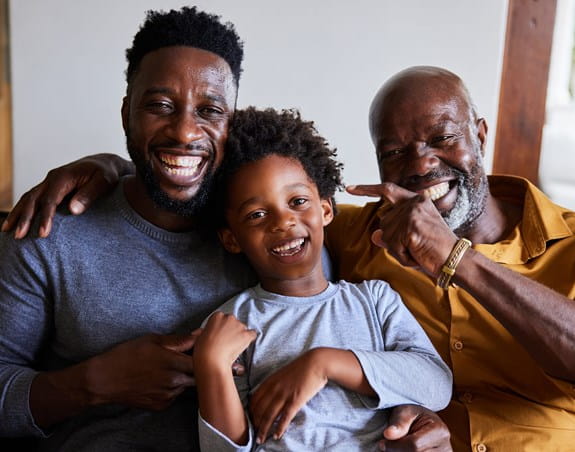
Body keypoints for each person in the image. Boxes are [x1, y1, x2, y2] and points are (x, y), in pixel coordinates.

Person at [7, 65, 575, 451]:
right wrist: (117, 167)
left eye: (442, 138)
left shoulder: (563, 243)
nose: (420, 165)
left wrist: (451, 257)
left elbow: (433, 378)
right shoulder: (363, 232)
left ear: (479, 133)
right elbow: (230, 196)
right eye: (394, 152)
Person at [0, 6, 450, 452]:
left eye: (210, 110)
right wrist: (91, 384)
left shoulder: (287, 244)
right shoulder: (50, 233)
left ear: (230, 123)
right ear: (126, 115)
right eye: (159, 106)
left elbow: (384, 372)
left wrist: (409, 408)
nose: (183, 132)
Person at [192, 107, 452, 451]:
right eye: (257, 214)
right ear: (232, 239)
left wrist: (326, 363)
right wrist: (212, 366)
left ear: (326, 209)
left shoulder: (375, 301)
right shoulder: (232, 326)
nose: (283, 222)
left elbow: (436, 385)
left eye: (298, 201)